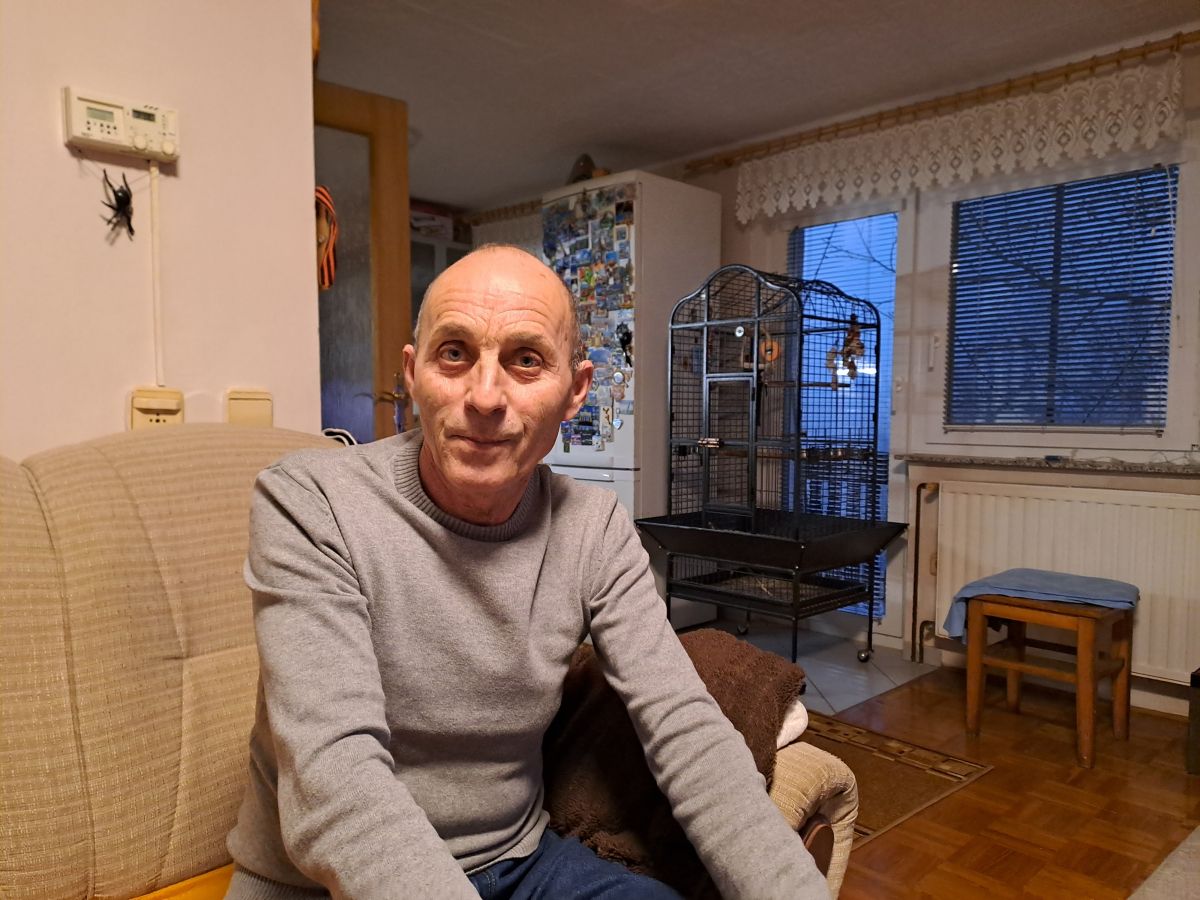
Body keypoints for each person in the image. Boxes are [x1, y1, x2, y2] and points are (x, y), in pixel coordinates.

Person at [225, 245, 828, 899]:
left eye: (526, 360)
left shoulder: (594, 527)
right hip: (320, 886)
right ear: (413, 374)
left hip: (519, 863)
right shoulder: (311, 502)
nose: (485, 397)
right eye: (454, 353)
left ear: (576, 391)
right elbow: (335, 780)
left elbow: (686, 729)